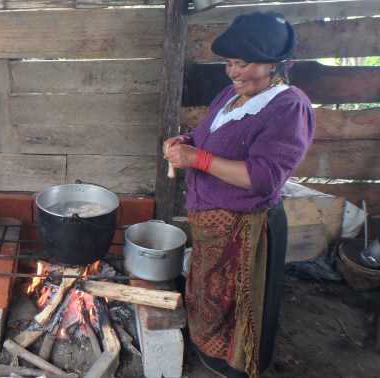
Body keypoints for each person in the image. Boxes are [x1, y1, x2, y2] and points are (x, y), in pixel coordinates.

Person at [163, 11, 315, 378]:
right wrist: (185, 141)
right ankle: (206, 349)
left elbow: (263, 177)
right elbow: (205, 135)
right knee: (208, 293)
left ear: (275, 65)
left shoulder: (288, 107)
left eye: (242, 64)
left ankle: (234, 367)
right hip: (211, 224)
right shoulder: (230, 96)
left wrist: (196, 158)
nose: (232, 72)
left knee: (239, 304)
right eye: (229, 63)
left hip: (244, 228)